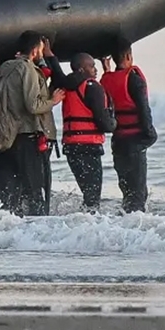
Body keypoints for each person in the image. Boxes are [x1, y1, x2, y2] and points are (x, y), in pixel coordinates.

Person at [0, 31, 65, 216]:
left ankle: (8, 227)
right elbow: (33, 105)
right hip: (27, 138)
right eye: (40, 50)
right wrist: (53, 101)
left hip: (6, 138)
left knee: (7, 194)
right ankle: (36, 229)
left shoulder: (5, 67)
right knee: (35, 190)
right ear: (35, 51)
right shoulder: (27, 69)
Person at [100, 39, 157, 213]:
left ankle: (124, 223)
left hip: (118, 142)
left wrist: (106, 69)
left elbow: (112, 85)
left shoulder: (106, 80)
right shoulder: (134, 80)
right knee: (138, 194)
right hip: (135, 140)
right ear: (128, 56)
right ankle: (135, 227)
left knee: (127, 192)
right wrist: (150, 135)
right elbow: (143, 109)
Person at [60, 53, 117, 212]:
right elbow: (104, 123)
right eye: (91, 66)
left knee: (88, 193)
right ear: (81, 69)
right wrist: (114, 123)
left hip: (71, 148)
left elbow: (57, 73)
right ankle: (88, 224)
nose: (95, 70)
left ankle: (82, 221)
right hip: (88, 147)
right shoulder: (92, 87)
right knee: (93, 198)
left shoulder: (66, 85)